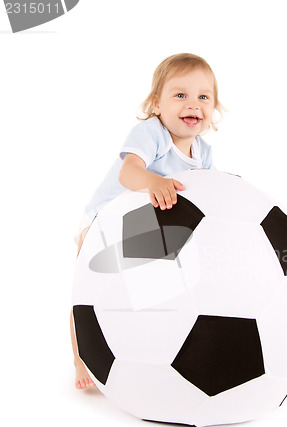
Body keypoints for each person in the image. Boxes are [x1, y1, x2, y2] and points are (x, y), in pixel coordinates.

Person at [71, 53, 224, 389]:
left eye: (203, 96)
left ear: (213, 108)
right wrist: (153, 181)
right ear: (157, 103)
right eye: (180, 95)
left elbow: (205, 195)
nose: (193, 104)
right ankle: (81, 357)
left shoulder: (204, 152)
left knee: (144, 293)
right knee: (89, 288)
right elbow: (129, 172)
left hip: (144, 225)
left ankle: (144, 348)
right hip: (104, 218)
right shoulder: (151, 133)